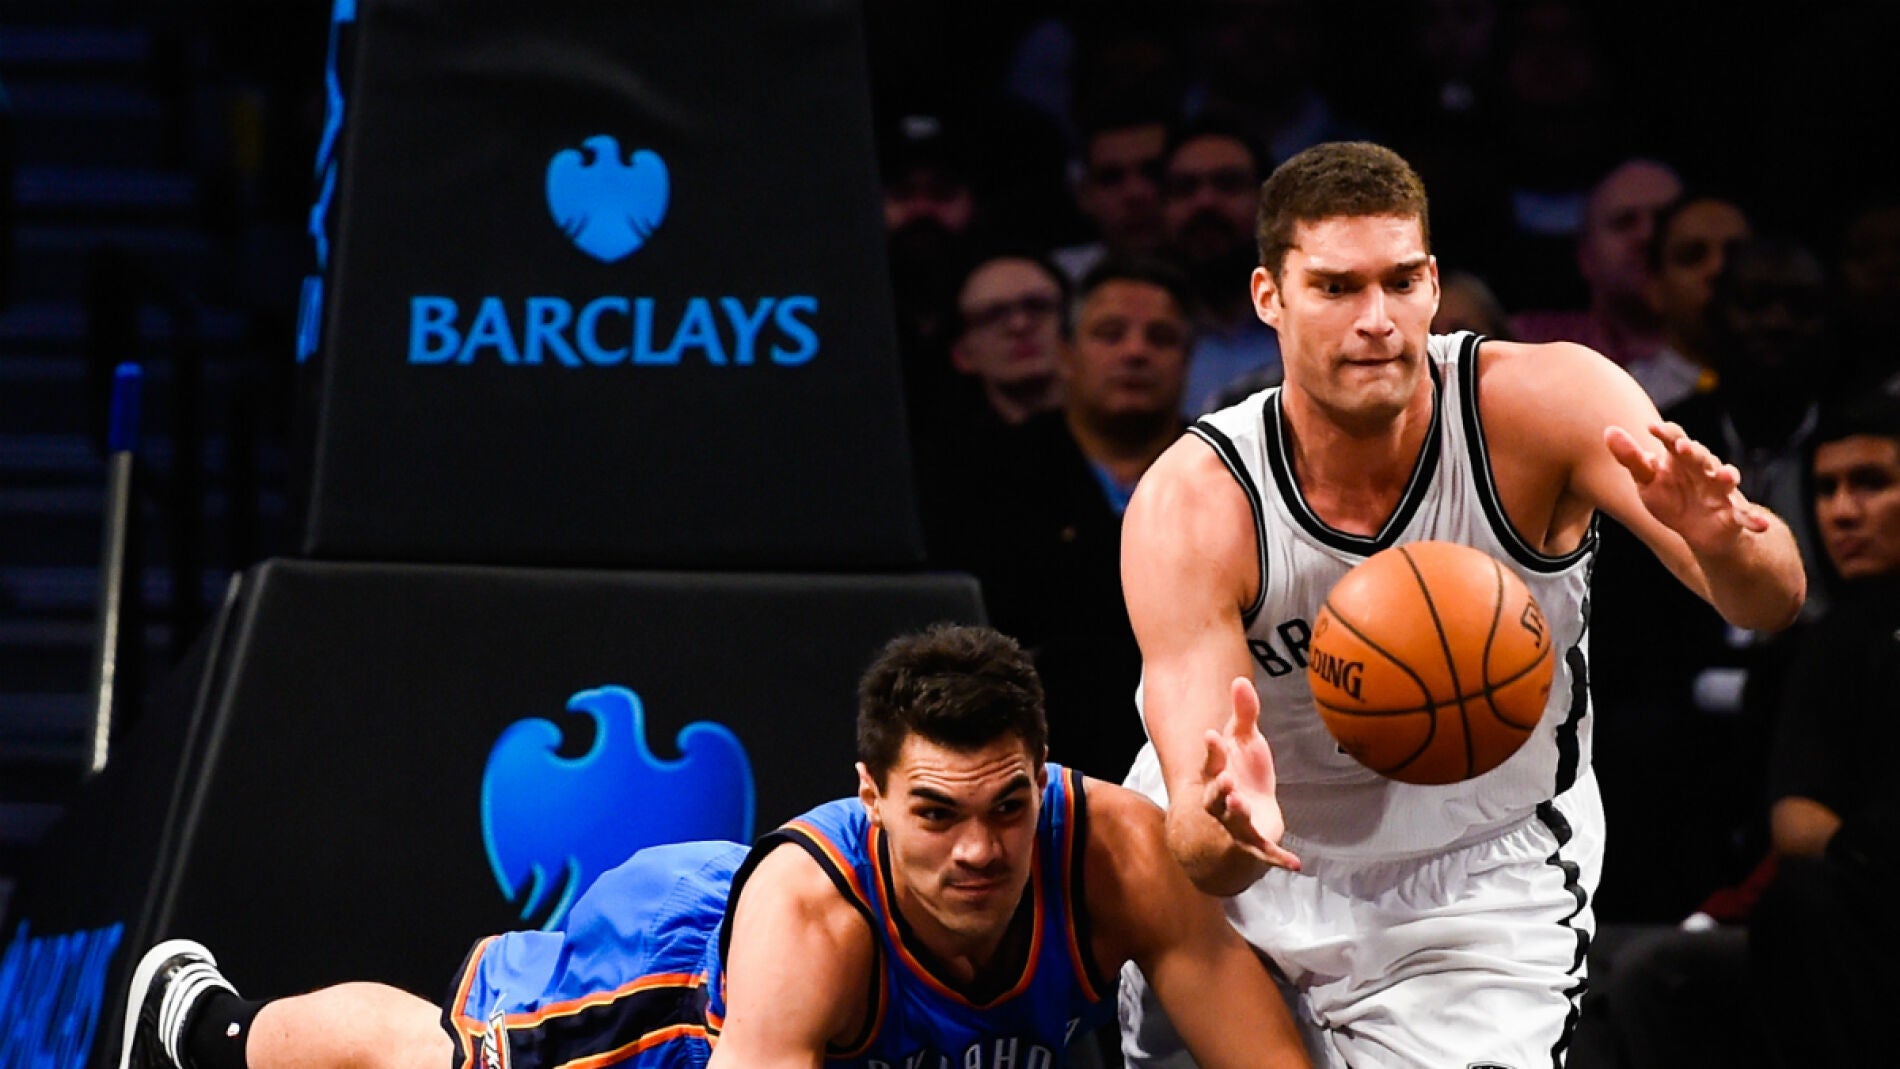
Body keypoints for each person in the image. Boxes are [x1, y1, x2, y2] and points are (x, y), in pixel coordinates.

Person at [1114, 141, 1805, 1067]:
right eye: (1335, 287)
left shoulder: (1549, 404)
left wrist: (1730, 542)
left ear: (1435, 284)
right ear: (1268, 296)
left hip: (1476, 879)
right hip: (1241, 886)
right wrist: (1233, 826)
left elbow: (1774, 602)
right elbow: (1202, 842)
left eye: (1401, 282)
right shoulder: (1197, 503)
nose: (1377, 321)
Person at [118, 625, 1309, 1069]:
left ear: (1043, 782)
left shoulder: (1116, 854)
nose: (980, 850)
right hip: (689, 983)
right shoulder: (816, 920)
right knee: (451, 1061)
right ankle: (201, 1025)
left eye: (1005, 806)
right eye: (936, 813)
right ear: (871, 796)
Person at [933, 258, 1192, 785]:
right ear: (1066, 355)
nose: (1136, 351)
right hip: (1034, 766)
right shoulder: (984, 476)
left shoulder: (1226, 474)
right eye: (1110, 334)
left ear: (1187, 361)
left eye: (1160, 337)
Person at [1749, 394, 1900, 1066]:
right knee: (1798, 906)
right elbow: (1796, 821)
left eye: (1871, 484)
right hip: (1876, 907)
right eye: (1825, 488)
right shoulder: (1831, 640)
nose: (1841, 511)